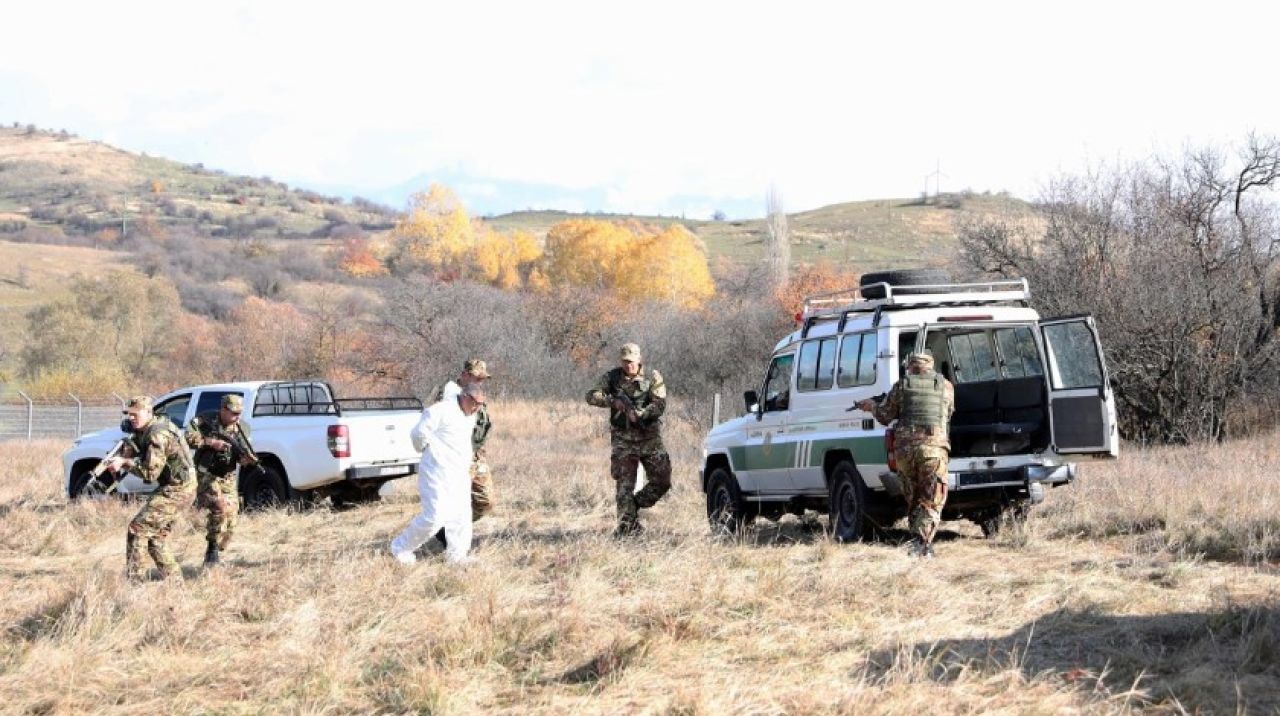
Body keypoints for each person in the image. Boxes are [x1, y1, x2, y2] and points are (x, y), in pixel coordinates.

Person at [856, 352, 955, 558]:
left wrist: (872, 406)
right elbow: (949, 413)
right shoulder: (945, 386)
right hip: (933, 451)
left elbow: (885, 416)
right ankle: (924, 544)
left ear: (910, 367)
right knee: (932, 498)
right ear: (931, 366)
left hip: (905, 452)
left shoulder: (901, 386)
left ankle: (919, 542)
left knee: (913, 496)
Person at [390, 383, 487, 565]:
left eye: (481, 404)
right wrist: (429, 450)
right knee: (434, 516)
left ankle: (457, 556)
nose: (477, 408)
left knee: (461, 517)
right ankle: (400, 548)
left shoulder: (470, 415)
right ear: (465, 397)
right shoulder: (439, 411)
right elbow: (418, 435)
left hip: (459, 472)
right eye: (475, 403)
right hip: (436, 473)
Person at [104, 396, 198, 581]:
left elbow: (149, 473)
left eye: (135, 414)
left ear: (149, 413)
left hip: (178, 489)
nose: (131, 418)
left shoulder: (157, 434)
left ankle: (135, 582)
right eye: (129, 414)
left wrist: (124, 462)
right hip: (178, 487)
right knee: (156, 539)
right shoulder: (145, 430)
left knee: (137, 529)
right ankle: (175, 582)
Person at [586, 342, 672, 536]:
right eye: (625, 362)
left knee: (663, 480)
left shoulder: (652, 377)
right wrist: (612, 402)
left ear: (639, 360)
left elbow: (660, 404)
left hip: (649, 437)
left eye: (632, 362)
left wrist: (641, 414)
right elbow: (591, 395)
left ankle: (634, 505)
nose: (629, 366)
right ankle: (627, 529)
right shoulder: (612, 378)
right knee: (624, 485)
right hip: (623, 439)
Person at [186, 394, 254, 567]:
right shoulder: (205, 419)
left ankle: (219, 545)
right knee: (219, 508)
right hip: (207, 473)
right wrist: (210, 442)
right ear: (223, 409)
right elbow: (188, 437)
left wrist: (246, 460)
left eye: (239, 413)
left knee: (232, 519)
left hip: (227, 475)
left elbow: (243, 453)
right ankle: (212, 549)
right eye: (233, 413)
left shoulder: (242, 429)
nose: (237, 417)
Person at [430, 359, 494, 522]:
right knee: (455, 501)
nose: (480, 382)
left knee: (485, 501)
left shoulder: (476, 394)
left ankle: (453, 526)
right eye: (476, 378)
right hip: (455, 458)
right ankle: (447, 532)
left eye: (482, 379)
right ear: (464, 375)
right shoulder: (449, 396)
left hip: (476, 456)